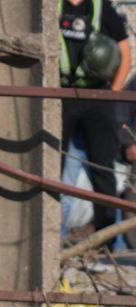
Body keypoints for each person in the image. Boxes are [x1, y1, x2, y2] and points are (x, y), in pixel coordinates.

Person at [58, 0, 131, 237]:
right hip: (61, 94)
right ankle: (52, 237)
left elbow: (125, 52)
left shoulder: (102, 9)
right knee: (53, 165)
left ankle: (107, 239)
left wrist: (112, 95)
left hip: (97, 95)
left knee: (103, 170)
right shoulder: (52, 7)